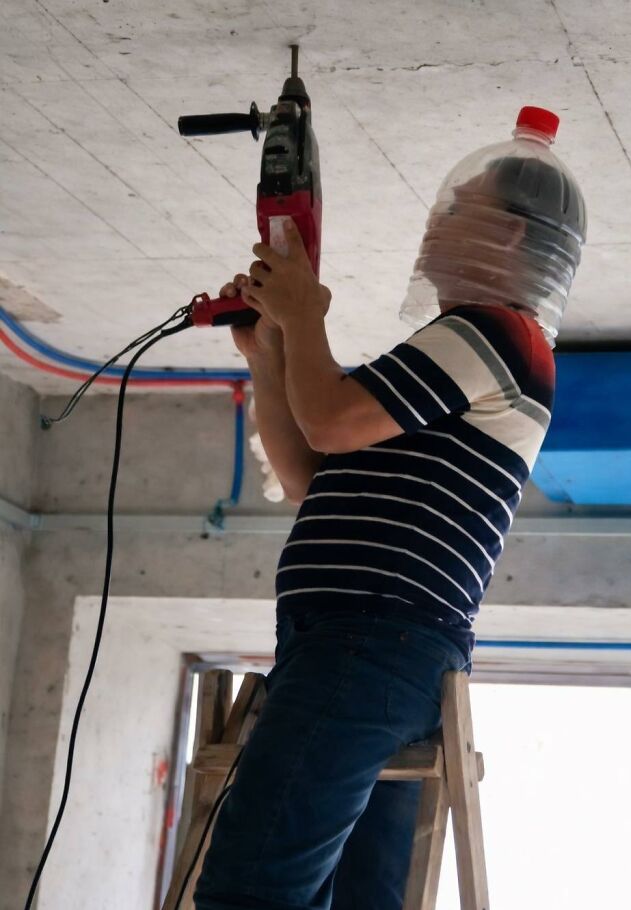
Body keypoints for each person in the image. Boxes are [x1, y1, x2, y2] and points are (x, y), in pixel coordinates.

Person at [194, 166, 559, 909]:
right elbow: (309, 476)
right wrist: (270, 356)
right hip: (364, 648)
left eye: (459, 206)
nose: (437, 220)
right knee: (362, 896)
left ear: (512, 231)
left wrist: (306, 316)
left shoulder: (496, 333)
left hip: (370, 641)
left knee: (253, 884)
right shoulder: (451, 356)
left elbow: (328, 419)